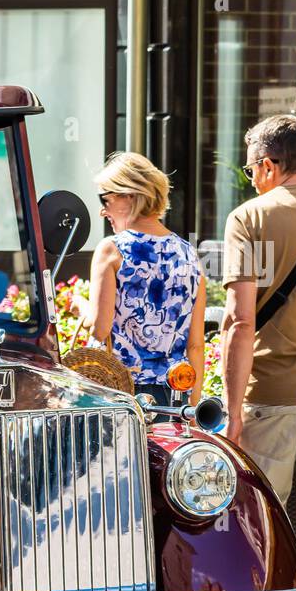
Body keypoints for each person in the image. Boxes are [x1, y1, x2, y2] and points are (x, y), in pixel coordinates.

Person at [220, 115, 296, 538]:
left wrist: (232, 412)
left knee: (260, 525)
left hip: (270, 392)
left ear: (269, 166)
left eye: (251, 169)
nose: (251, 178)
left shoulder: (248, 219)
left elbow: (239, 320)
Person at [72, 151, 206, 405]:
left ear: (129, 196)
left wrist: (81, 305)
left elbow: (100, 329)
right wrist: (193, 405)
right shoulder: (189, 254)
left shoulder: (112, 250)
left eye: (106, 199)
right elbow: (196, 345)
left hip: (120, 392)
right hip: (174, 394)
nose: (103, 211)